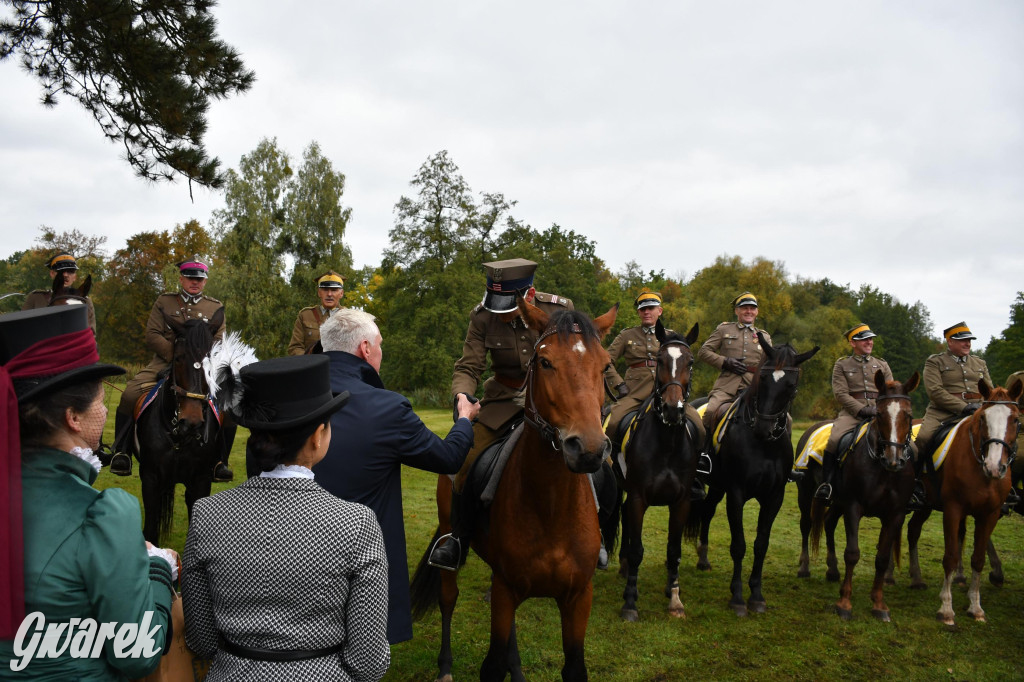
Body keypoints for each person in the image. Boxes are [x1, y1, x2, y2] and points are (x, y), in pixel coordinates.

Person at [182, 354, 390, 680]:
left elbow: (201, 640)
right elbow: (369, 661)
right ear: (317, 436)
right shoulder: (357, 524)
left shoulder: (207, 514)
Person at [0, 306, 176, 679]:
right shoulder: (105, 515)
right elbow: (136, 652)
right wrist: (159, 569)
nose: (103, 411)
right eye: (99, 402)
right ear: (73, 417)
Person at [312, 309, 479, 644]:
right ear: (365, 349)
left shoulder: (289, 399)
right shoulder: (387, 407)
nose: (381, 352)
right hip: (360, 564)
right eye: (380, 344)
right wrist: (464, 420)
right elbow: (448, 458)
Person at [428, 257, 571, 572]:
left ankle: (595, 532)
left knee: (593, 458)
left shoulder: (559, 312)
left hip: (551, 405)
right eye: (497, 306)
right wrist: (462, 396)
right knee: (463, 461)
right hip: (503, 401)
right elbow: (469, 366)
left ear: (529, 296)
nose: (500, 315)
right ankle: (458, 537)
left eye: (508, 307)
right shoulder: (482, 317)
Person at [110, 258, 227, 478]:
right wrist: (176, 355)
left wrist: (200, 358)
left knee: (226, 405)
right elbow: (152, 334)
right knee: (130, 393)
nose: (195, 282)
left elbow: (220, 340)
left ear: (205, 281)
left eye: (199, 279)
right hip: (165, 361)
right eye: (191, 278)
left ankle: (220, 461)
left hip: (201, 367)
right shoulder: (164, 302)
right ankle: (122, 452)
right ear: (181, 279)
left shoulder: (215, 307)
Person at [604, 290, 706, 497]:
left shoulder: (672, 336)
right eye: (643, 309)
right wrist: (619, 384)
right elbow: (605, 361)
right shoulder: (627, 335)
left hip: (668, 391)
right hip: (635, 391)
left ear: (659, 310)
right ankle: (609, 469)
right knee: (612, 422)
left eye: (651, 308)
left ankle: (695, 473)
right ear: (639, 313)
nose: (646, 312)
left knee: (698, 425)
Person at [909, 321, 993, 509]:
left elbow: (990, 390)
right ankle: (914, 486)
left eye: (969, 340)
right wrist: (963, 407)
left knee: (998, 439)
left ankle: (1001, 487)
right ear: (950, 342)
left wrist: (985, 407)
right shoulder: (935, 362)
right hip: (942, 413)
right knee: (922, 439)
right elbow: (935, 392)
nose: (968, 344)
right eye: (963, 340)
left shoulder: (980, 363)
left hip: (978, 411)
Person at [814, 323, 894, 502]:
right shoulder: (842, 364)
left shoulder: (882, 364)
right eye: (864, 340)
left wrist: (880, 409)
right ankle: (826, 484)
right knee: (834, 440)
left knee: (906, 443)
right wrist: (861, 409)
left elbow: (891, 391)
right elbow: (840, 393)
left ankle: (908, 485)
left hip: (880, 412)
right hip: (852, 413)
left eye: (870, 339)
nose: (869, 342)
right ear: (853, 343)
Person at [697, 292, 772, 436]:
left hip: (754, 386)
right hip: (726, 386)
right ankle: (704, 451)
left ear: (757, 312)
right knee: (711, 412)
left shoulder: (765, 336)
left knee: (784, 418)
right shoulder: (724, 329)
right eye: (744, 308)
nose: (748, 311)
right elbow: (704, 351)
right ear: (737, 310)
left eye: (752, 308)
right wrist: (725, 362)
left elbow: (770, 363)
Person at [21, 251, 96, 333]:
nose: (65, 275)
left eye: (70, 271)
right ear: (52, 273)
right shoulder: (36, 297)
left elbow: (91, 333)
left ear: (75, 277)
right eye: (61, 272)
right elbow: (23, 327)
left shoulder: (85, 300)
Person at [287, 270, 346, 355]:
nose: (329, 294)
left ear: (341, 293)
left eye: (334, 290)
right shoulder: (306, 315)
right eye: (325, 290)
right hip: (311, 366)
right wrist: (310, 362)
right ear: (319, 292)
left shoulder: (350, 317)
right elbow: (295, 347)